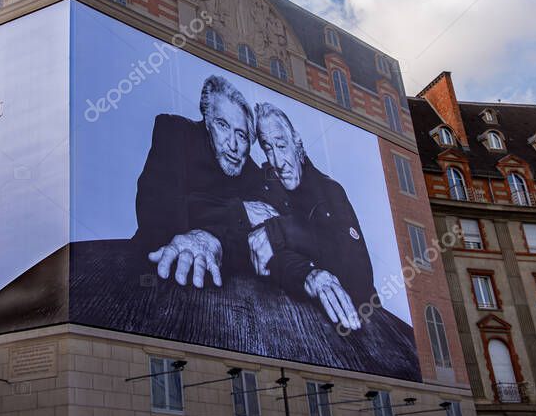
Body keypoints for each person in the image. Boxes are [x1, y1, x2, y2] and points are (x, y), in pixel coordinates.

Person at [133, 75, 285, 288]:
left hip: (227, 288)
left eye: (241, 135)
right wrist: (238, 212)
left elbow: (271, 235)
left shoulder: (252, 172)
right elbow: (158, 211)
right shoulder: (175, 132)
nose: (233, 144)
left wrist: (216, 240)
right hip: (151, 272)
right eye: (222, 125)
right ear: (206, 120)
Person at [249, 102, 375, 331]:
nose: (277, 162)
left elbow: (360, 276)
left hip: (360, 323)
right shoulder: (265, 185)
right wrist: (307, 273)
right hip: (293, 320)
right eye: (268, 148)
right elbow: (268, 258)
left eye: (281, 145)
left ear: (297, 144)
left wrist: (282, 231)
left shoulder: (331, 191)